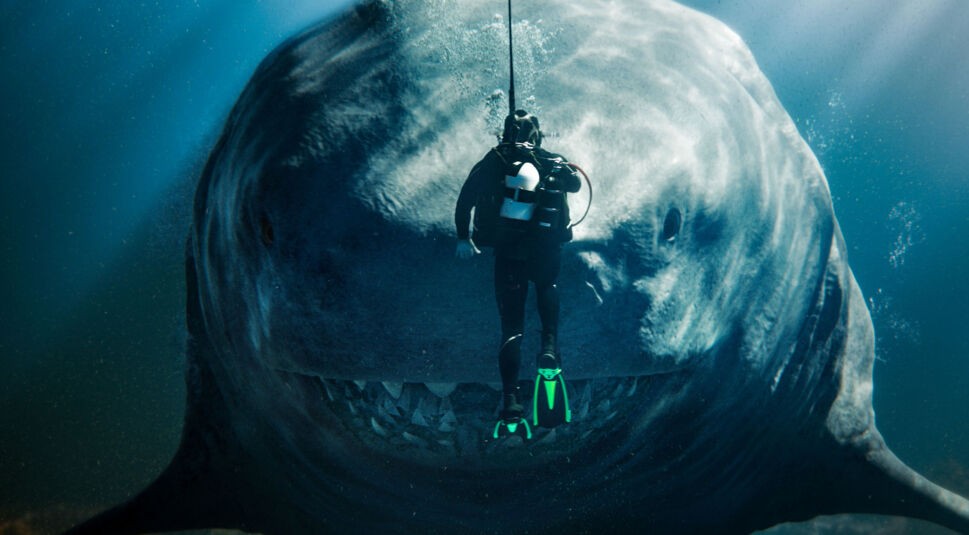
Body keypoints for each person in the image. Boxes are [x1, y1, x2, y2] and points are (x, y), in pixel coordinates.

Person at [454, 109, 582, 424]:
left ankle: (511, 401)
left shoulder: (495, 161)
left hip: (509, 253)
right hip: (547, 250)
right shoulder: (552, 159)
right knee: (547, 289)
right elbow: (577, 185)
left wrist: (462, 237)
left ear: (505, 133)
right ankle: (549, 346)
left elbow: (465, 199)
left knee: (511, 328)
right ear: (538, 133)